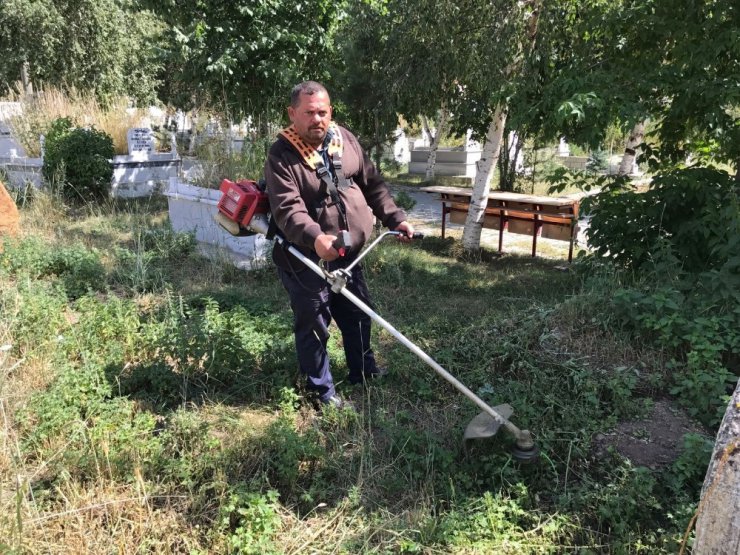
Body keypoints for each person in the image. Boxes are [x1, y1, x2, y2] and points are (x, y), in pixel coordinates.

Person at [264, 81, 414, 409]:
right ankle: (321, 394)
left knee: (359, 313)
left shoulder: (344, 139)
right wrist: (315, 237)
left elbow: (372, 184)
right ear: (292, 114)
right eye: (308, 113)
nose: (317, 119)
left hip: (347, 254)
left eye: (322, 112)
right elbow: (288, 209)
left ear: (330, 111)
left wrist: (395, 218)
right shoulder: (281, 156)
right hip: (305, 258)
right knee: (315, 323)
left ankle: (363, 371)